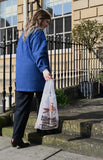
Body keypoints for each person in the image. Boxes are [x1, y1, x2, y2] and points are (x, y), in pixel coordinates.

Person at [11, 9, 52, 148]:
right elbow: (39, 52)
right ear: (41, 19)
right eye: (47, 21)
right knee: (43, 101)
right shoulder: (38, 32)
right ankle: (43, 129)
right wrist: (45, 69)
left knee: (21, 109)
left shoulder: (25, 33)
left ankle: (16, 137)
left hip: (22, 76)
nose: (47, 25)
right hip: (35, 74)